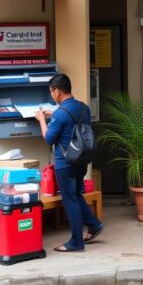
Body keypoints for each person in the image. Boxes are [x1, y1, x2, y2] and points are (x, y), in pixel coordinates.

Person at [35, 74, 104, 253]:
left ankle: (76, 242)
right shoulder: (83, 108)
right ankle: (94, 224)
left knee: (70, 199)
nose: (52, 95)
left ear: (57, 91)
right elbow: (70, 119)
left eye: (51, 91)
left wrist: (42, 120)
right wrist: (53, 114)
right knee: (76, 194)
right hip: (81, 159)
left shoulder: (60, 114)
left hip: (65, 163)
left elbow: (49, 138)